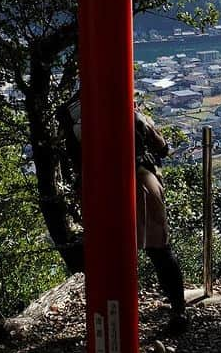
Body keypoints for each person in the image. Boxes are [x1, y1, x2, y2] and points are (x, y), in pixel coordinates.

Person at [57, 94, 188, 335]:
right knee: (159, 249)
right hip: (138, 179)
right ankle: (178, 310)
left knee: (107, 255)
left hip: (95, 186)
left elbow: (71, 157)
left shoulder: (73, 116)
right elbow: (162, 147)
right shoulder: (128, 109)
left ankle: (108, 315)